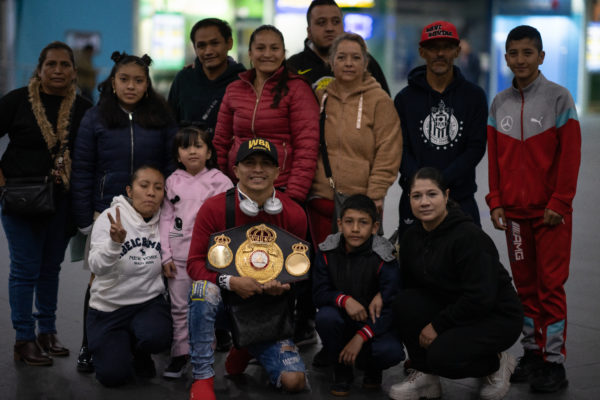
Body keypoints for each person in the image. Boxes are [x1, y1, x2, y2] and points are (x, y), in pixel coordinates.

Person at [486, 25, 581, 393]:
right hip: (514, 216)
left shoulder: (559, 98)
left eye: (528, 53)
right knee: (525, 287)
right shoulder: (499, 103)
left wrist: (560, 202)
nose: (520, 59)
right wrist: (496, 200)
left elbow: (570, 157)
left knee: (550, 286)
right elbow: (494, 158)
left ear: (541, 57)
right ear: (506, 57)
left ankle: (554, 361)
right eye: (514, 53)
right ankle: (532, 353)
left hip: (550, 215)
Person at [71, 51, 176, 373]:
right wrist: (85, 218)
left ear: (147, 85)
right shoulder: (95, 117)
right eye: (124, 79)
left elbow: (170, 165)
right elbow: (83, 168)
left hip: (149, 209)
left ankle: (137, 344)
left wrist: (168, 209)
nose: (131, 86)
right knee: (100, 278)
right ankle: (90, 344)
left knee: (146, 272)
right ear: (113, 82)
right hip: (105, 209)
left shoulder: (161, 116)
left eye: (138, 80)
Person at [186, 139, 307, 399]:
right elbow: (194, 263)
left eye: (266, 164)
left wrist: (285, 285)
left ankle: (247, 344)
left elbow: (299, 271)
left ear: (277, 171)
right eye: (250, 163)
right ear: (236, 170)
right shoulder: (213, 208)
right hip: (224, 301)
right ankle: (203, 377)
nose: (258, 169)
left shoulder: (294, 213)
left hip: (265, 309)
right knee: (201, 291)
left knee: (294, 381)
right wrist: (230, 282)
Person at [389, 167, 523, 400]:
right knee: (405, 302)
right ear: (409, 199)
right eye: (417, 196)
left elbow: (481, 297)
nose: (424, 202)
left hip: (495, 315)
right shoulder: (411, 237)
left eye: (432, 194)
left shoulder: (469, 237)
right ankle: (426, 377)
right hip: (455, 305)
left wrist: (438, 325)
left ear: (446, 195)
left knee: (442, 358)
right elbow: (412, 288)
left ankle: (497, 363)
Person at [0, 41, 92, 366]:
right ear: (39, 70)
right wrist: (2, 182)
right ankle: (24, 339)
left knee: (50, 268)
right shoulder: (17, 101)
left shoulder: (83, 108)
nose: (57, 70)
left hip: (61, 202)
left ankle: (47, 332)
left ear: (74, 71)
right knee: (25, 269)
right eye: (50, 64)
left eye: (64, 64)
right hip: (21, 201)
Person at [394, 21, 487, 240]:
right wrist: (423, 186)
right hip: (416, 199)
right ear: (422, 52)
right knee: (415, 261)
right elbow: (399, 148)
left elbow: (475, 148)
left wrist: (439, 182)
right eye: (433, 48)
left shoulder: (474, 96)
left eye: (446, 47)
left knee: (468, 260)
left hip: (460, 199)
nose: (440, 53)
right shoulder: (404, 99)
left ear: (457, 51)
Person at [309, 32, 402, 248]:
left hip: (362, 205)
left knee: (361, 263)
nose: (348, 63)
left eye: (356, 57)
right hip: (321, 201)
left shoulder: (379, 101)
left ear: (366, 63)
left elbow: (389, 151)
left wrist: (375, 195)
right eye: (341, 57)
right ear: (331, 62)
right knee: (322, 261)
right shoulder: (321, 97)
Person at [212, 24, 319, 204]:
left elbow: (307, 148)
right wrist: (219, 185)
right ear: (250, 53)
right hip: (237, 186)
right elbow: (220, 142)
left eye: (274, 48)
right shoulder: (234, 89)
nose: (267, 54)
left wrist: (293, 196)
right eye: (260, 48)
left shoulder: (298, 89)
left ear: (283, 54)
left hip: (280, 188)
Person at [86, 165, 172, 387]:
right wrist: (114, 244)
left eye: (158, 188)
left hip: (147, 303)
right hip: (109, 308)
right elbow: (96, 266)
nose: (151, 193)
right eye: (144, 186)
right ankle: (117, 347)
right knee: (112, 377)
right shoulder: (110, 218)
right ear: (130, 191)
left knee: (158, 337)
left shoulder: (165, 220)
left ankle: (139, 350)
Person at [158, 125, 233, 379]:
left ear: (209, 152)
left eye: (198, 146)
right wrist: (166, 255)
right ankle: (180, 353)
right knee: (179, 308)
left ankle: (204, 354)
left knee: (205, 306)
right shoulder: (172, 182)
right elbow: (166, 220)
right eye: (185, 147)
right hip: (178, 259)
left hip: (208, 260)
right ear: (178, 155)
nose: (192, 151)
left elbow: (227, 222)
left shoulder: (221, 182)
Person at [313, 194, 404, 396]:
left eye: (363, 222)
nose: (355, 229)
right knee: (325, 317)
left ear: (374, 227)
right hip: (341, 321)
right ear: (339, 224)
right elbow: (318, 294)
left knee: (390, 351)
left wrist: (362, 335)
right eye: (349, 222)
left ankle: (371, 367)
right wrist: (344, 300)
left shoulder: (384, 257)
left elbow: (391, 306)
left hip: (375, 325)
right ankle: (341, 370)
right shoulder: (327, 252)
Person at [287, 0, 390, 94]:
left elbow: (384, 103)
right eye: (321, 22)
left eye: (336, 22)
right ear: (309, 32)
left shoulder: (365, 62)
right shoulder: (293, 67)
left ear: (343, 27)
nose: (329, 28)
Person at [168, 18, 245, 132]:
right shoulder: (183, 79)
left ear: (229, 43)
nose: (208, 51)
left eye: (215, 43)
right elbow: (169, 125)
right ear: (195, 48)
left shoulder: (244, 81)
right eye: (201, 46)